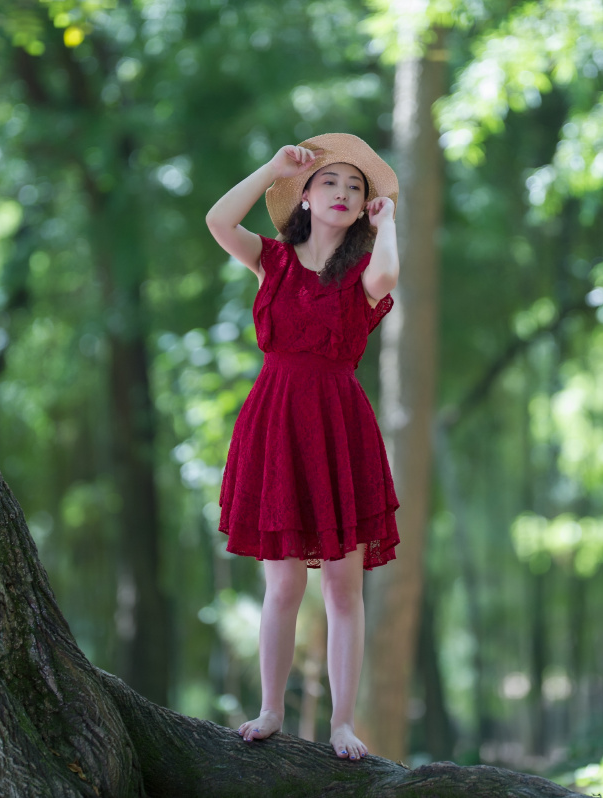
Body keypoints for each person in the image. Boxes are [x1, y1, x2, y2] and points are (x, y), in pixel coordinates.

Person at [205, 133, 402, 763]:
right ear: (307, 198)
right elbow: (217, 219)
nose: (344, 194)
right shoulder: (272, 260)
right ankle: (269, 711)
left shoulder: (363, 276)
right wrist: (273, 167)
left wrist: (389, 218)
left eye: (356, 188)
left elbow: (389, 275)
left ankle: (342, 724)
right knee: (283, 584)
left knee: (344, 588)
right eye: (331, 184)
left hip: (339, 426)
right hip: (276, 422)